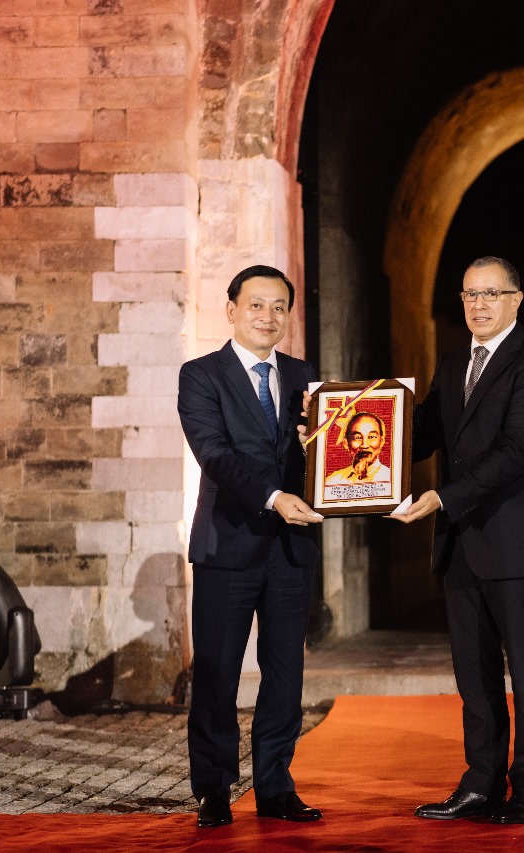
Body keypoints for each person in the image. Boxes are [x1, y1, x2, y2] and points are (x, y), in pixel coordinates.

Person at [397, 256, 524, 825]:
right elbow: (419, 434)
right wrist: (344, 429)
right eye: (469, 295)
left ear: (517, 300)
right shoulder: (452, 365)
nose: (478, 304)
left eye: (491, 293)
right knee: (474, 677)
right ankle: (480, 783)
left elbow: (519, 452)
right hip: (462, 545)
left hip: (516, 544)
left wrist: (444, 497)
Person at [177, 265, 325, 829]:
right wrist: (272, 496)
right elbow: (213, 453)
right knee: (216, 672)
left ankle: (276, 787)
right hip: (228, 546)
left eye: (280, 307)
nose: (269, 317)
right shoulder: (201, 375)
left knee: (285, 673)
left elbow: (327, 450)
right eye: (257, 305)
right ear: (232, 310)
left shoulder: (302, 374)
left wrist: (324, 457)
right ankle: (214, 789)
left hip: (291, 550)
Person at [326, 412, 392, 484]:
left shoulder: (391, 478)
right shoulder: (332, 481)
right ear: (346, 443)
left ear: (381, 442)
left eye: (371, 437)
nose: (364, 445)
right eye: (357, 437)